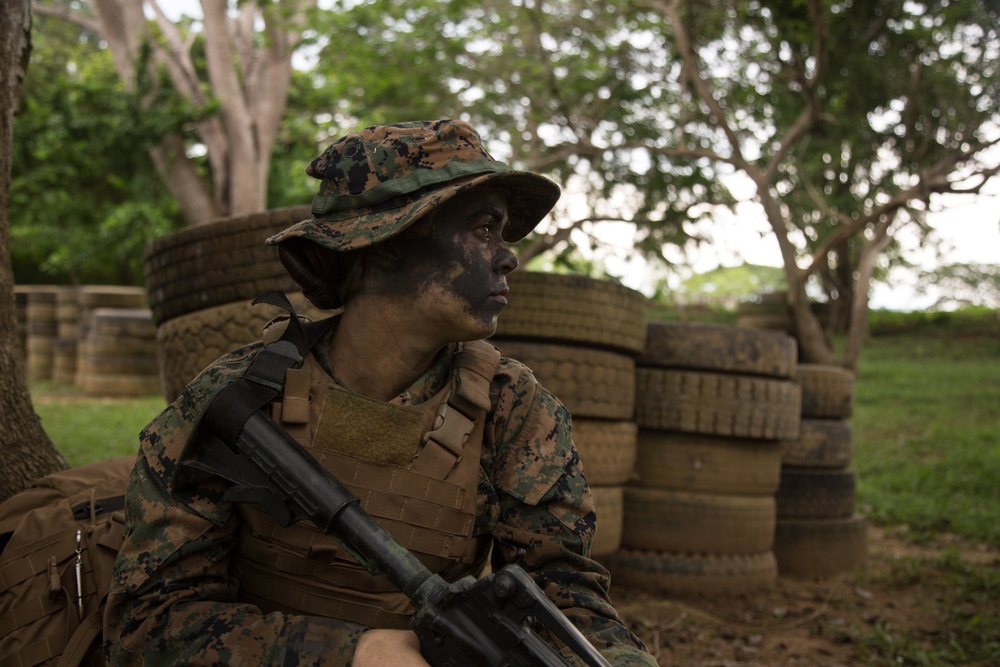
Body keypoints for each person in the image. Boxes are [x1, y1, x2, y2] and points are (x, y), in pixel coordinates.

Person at [104, 119, 658, 666]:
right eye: (484, 228)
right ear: (389, 241)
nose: (508, 255)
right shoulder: (239, 400)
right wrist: (352, 653)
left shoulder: (513, 410)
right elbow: (147, 626)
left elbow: (569, 605)